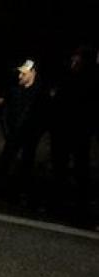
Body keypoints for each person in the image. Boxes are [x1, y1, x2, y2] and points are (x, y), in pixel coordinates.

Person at [0, 59, 50, 207]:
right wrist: (7, 131)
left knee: (27, 165)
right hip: (14, 134)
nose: (20, 76)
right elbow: (4, 112)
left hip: (30, 135)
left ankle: (22, 195)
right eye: (20, 73)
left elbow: (45, 116)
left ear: (33, 73)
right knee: (5, 163)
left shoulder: (41, 93)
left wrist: (36, 134)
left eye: (24, 74)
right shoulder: (14, 90)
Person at [49, 46, 97, 215]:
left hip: (79, 131)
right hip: (63, 129)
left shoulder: (88, 81)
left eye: (77, 60)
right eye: (73, 59)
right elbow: (56, 103)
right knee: (60, 166)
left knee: (80, 167)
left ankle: (81, 202)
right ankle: (59, 199)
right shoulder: (65, 77)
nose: (74, 62)